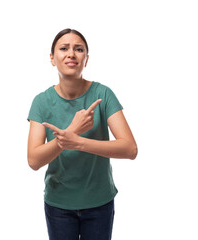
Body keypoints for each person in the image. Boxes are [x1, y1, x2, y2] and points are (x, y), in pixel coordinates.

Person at [27, 28, 137, 240]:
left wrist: (78, 142)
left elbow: (130, 149)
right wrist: (70, 134)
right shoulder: (41, 102)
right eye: (63, 48)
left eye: (79, 49)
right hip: (58, 204)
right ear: (52, 58)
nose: (71, 54)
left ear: (86, 59)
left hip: (99, 203)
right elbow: (33, 160)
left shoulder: (102, 94)